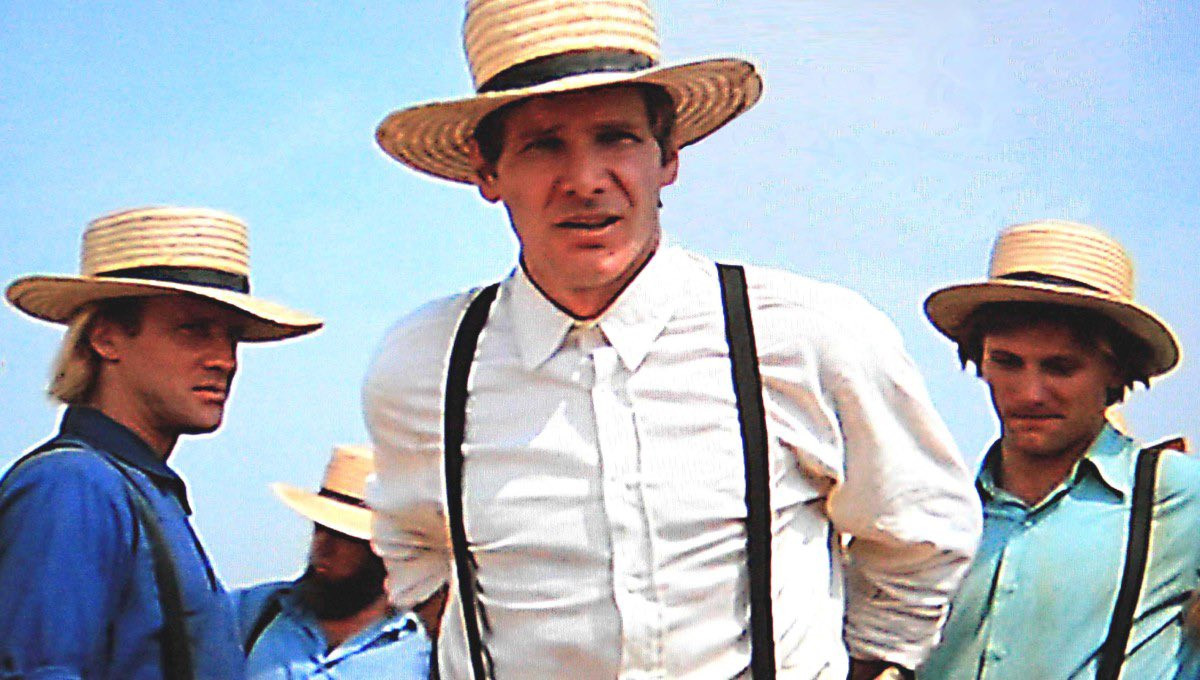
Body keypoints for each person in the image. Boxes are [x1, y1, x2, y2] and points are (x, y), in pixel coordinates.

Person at [364, 1, 980, 677]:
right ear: (488, 173)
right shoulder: (426, 365)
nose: (586, 181)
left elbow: (921, 537)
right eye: (543, 145)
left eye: (616, 138)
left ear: (669, 157)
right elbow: (415, 551)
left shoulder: (808, 336)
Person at [0, 207, 322, 679]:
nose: (224, 360)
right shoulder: (74, 486)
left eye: (232, 337)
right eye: (194, 330)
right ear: (106, 338)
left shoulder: (134, 490)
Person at [918, 219, 1200, 678]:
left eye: (1061, 368)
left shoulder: (1176, 494)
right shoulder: (941, 513)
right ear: (981, 362)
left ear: (1115, 370)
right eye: (1007, 362)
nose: (1030, 393)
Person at [235, 444, 431, 679]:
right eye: (319, 528)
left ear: (382, 548)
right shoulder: (253, 614)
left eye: (343, 536)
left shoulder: (425, 653)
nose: (323, 546)